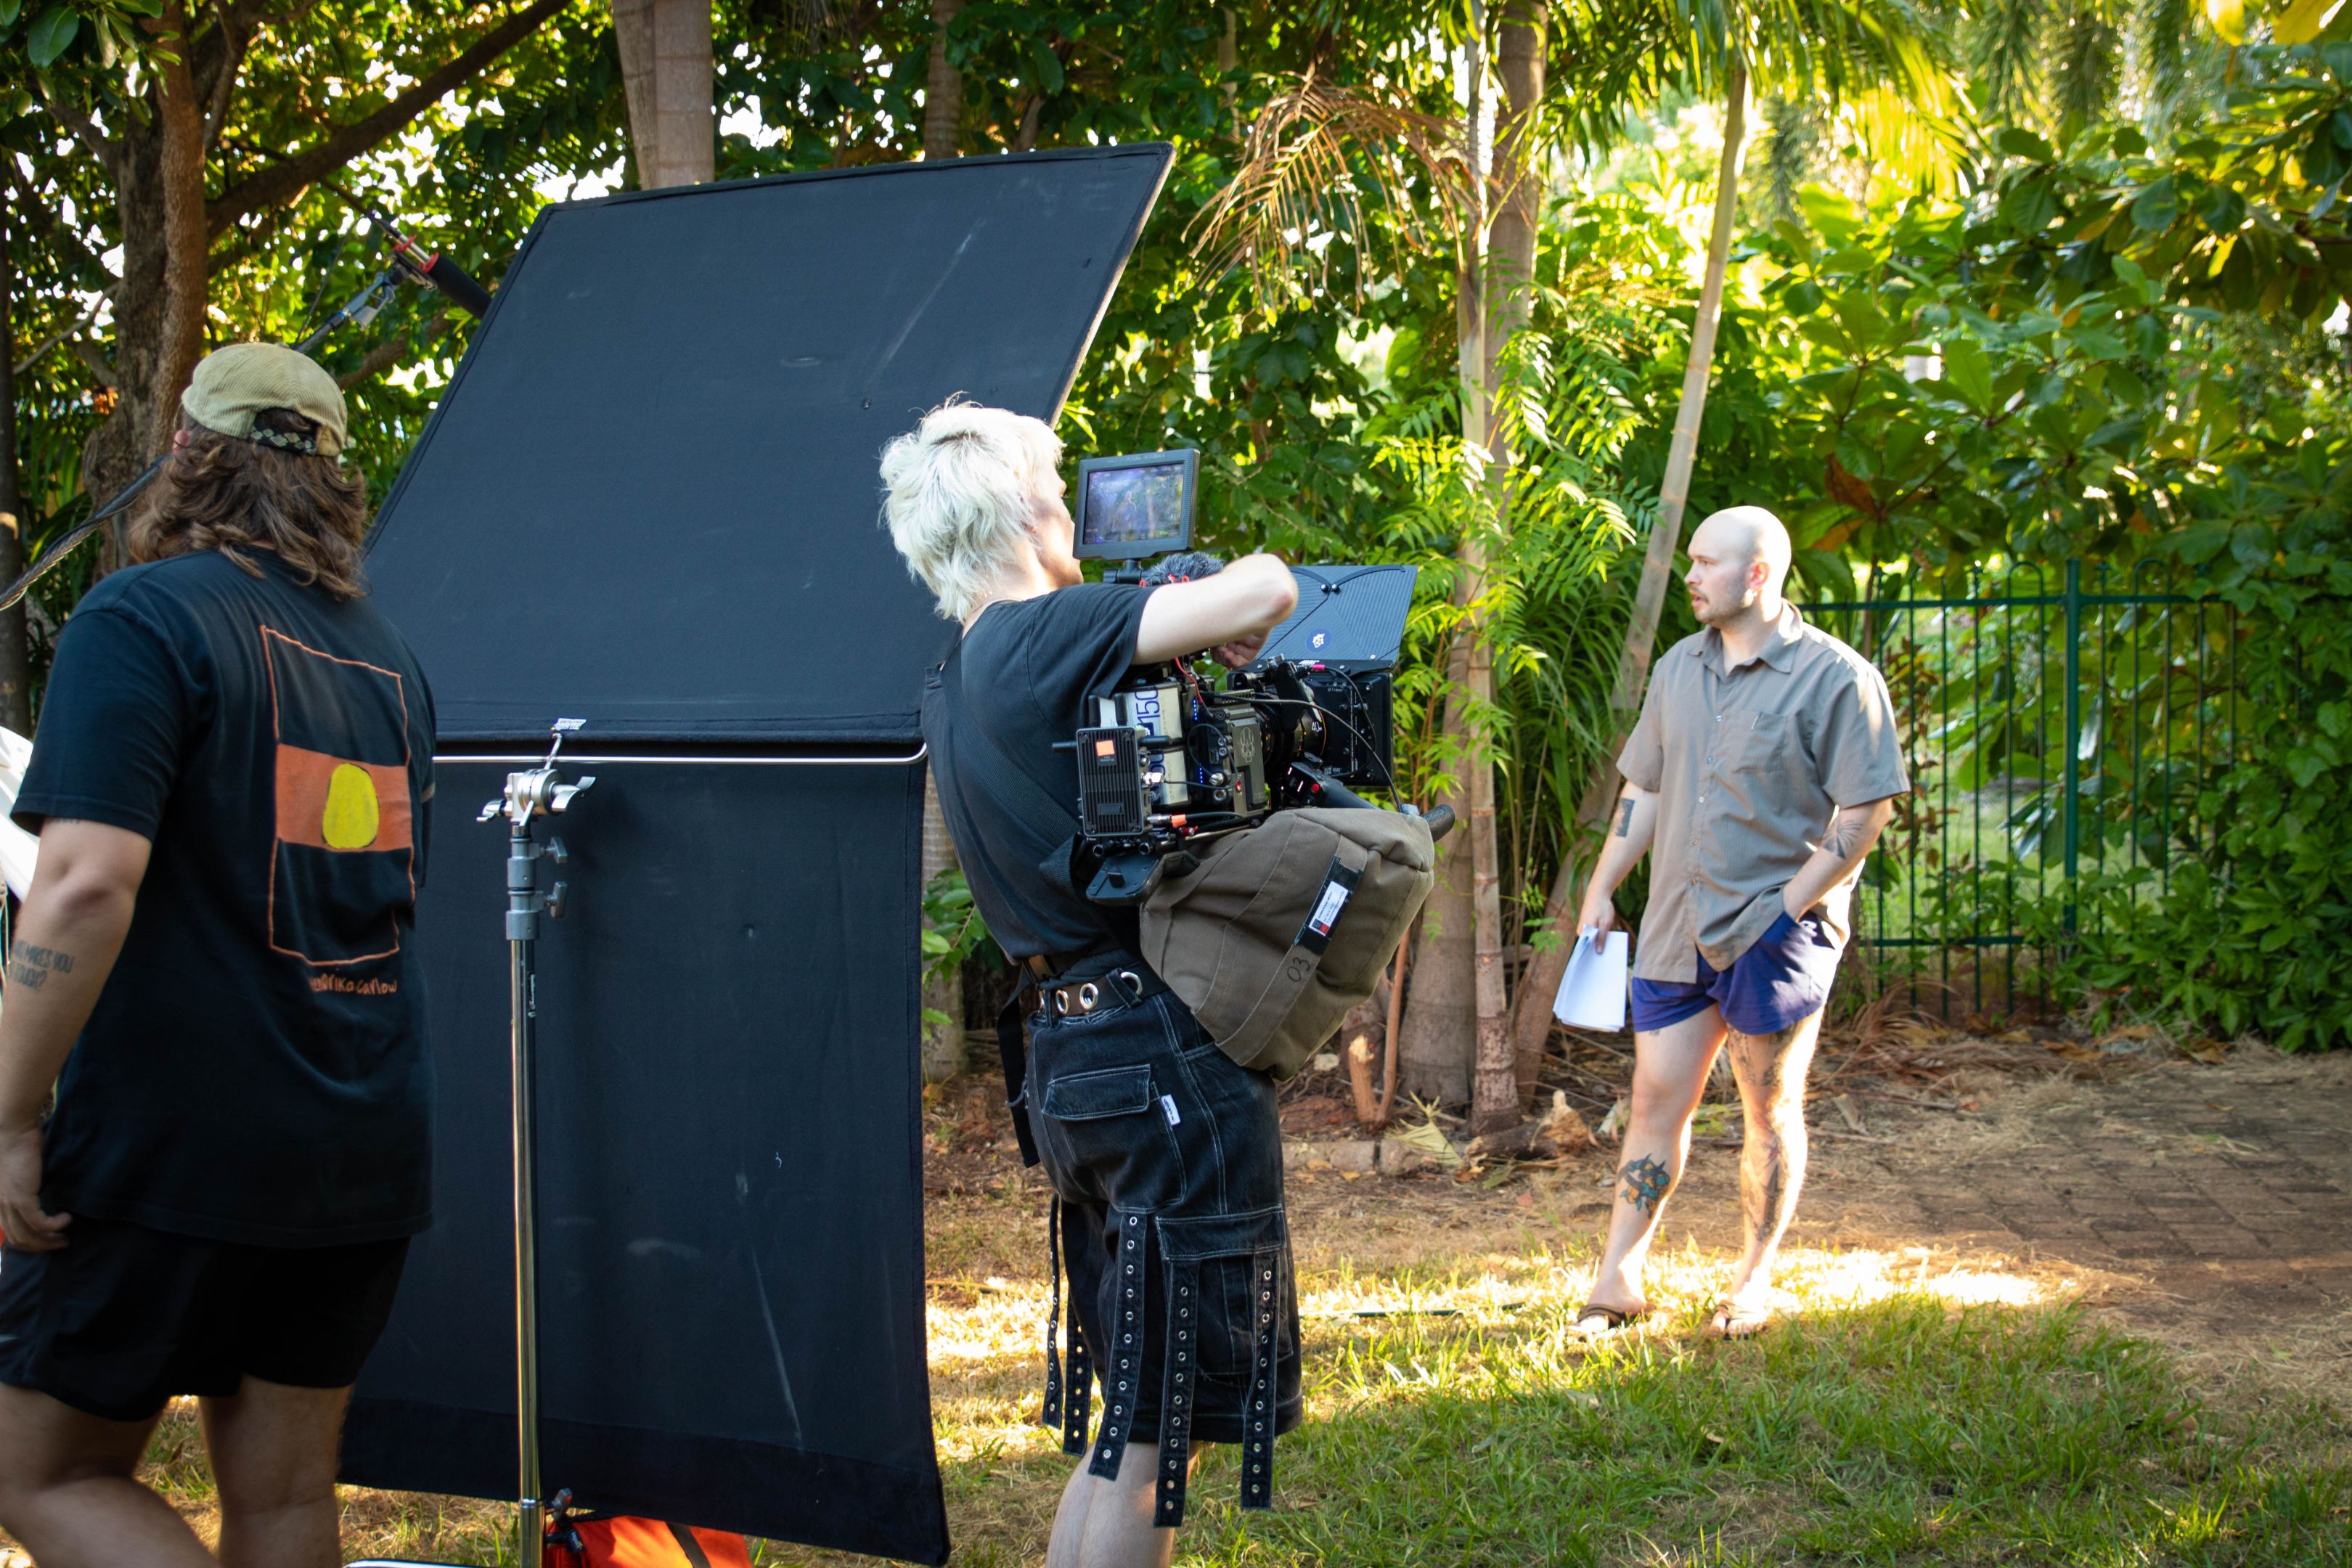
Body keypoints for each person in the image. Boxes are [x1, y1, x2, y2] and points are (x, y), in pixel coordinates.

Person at [0, 343, 436, 1568]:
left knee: (41, 1469)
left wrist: (6, 1119)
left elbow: (83, 885)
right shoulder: (390, 660)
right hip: (358, 1139)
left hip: (177, 1140)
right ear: (334, 483)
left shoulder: (141, 615)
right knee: (288, 1500)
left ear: (186, 451)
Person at [883, 402, 1299, 1568]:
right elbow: (1267, 591)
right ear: (1023, 513)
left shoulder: (957, 673)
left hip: (1071, 1057)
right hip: (1153, 1054)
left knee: (1130, 1427)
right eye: (1061, 494)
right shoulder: (1045, 630)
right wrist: (1213, 590)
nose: (1074, 513)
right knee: (1159, 1444)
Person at [1572, 505, 1906, 1341]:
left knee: (1768, 1108)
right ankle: (1617, 1282)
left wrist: (1787, 912)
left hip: (1775, 936)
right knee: (1655, 1099)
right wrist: (1604, 881)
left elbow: (1866, 814)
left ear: (1757, 574)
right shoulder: (1680, 668)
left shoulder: (1837, 678)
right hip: (1676, 926)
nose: (1690, 575)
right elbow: (1644, 789)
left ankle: (1752, 1281)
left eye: (1705, 562)